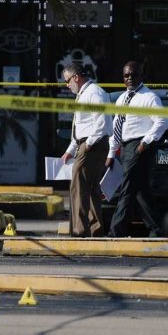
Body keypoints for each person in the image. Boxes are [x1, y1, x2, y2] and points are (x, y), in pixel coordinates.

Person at [106, 61, 168, 237]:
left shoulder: (149, 97)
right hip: (126, 147)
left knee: (126, 188)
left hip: (138, 146)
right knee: (141, 191)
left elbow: (162, 121)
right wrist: (111, 153)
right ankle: (157, 230)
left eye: (134, 75)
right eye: (126, 75)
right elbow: (116, 127)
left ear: (142, 76)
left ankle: (115, 231)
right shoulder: (122, 98)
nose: (130, 78)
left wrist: (145, 142)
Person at [60, 64, 112, 237]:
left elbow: (101, 122)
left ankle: (79, 230)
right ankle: (95, 229)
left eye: (67, 81)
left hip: (93, 145)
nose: (67, 85)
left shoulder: (94, 93)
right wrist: (71, 149)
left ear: (76, 77)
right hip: (88, 143)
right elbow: (82, 126)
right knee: (90, 188)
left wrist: (88, 144)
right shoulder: (84, 94)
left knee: (78, 187)